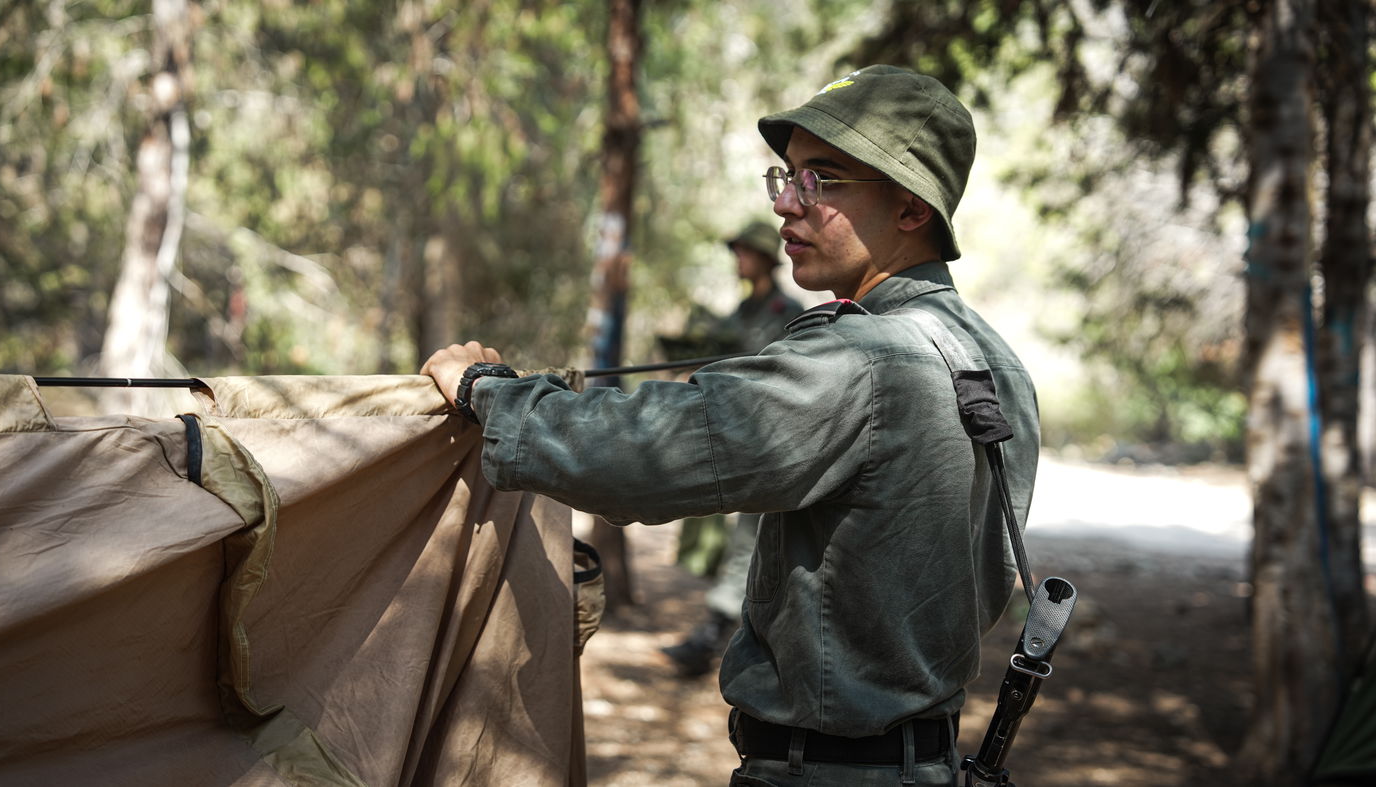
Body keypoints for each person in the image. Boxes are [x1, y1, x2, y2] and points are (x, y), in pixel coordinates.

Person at [423, 65, 1040, 787]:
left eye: (821, 180)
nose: (785, 203)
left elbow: (648, 454)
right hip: (921, 763)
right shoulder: (998, 363)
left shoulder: (863, 357)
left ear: (910, 208)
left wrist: (488, 392)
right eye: (787, 176)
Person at [660, 221, 800, 678]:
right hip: (735, 438)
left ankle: (710, 640)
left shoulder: (786, 311)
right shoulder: (741, 310)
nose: (738, 259)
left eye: (746, 251)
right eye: (736, 250)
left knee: (753, 543)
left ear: (766, 259)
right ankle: (724, 637)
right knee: (737, 544)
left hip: (772, 444)